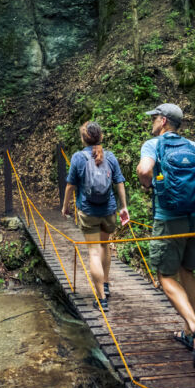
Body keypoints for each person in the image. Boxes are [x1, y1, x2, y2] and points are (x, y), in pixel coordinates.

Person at [137, 102, 195, 371]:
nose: (152, 122)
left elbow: (144, 171)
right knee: (188, 270)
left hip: (169, 219)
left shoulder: (153, 145)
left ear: (164, 121)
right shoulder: (194, 147)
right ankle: (190, 336)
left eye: (154, 118)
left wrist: (150, 185)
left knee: (166, 276)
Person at [61, 121, 128, 311]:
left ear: (83, 139)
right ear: (101, 137)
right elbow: (119, 182)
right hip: (109, 211)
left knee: (93, 251)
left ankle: (101, 298)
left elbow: (70, 185)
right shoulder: (111, 157)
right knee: (105, 246)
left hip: (88, 212)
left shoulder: (78, 158)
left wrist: (66, 207)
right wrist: (124, 207)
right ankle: (105, 284)